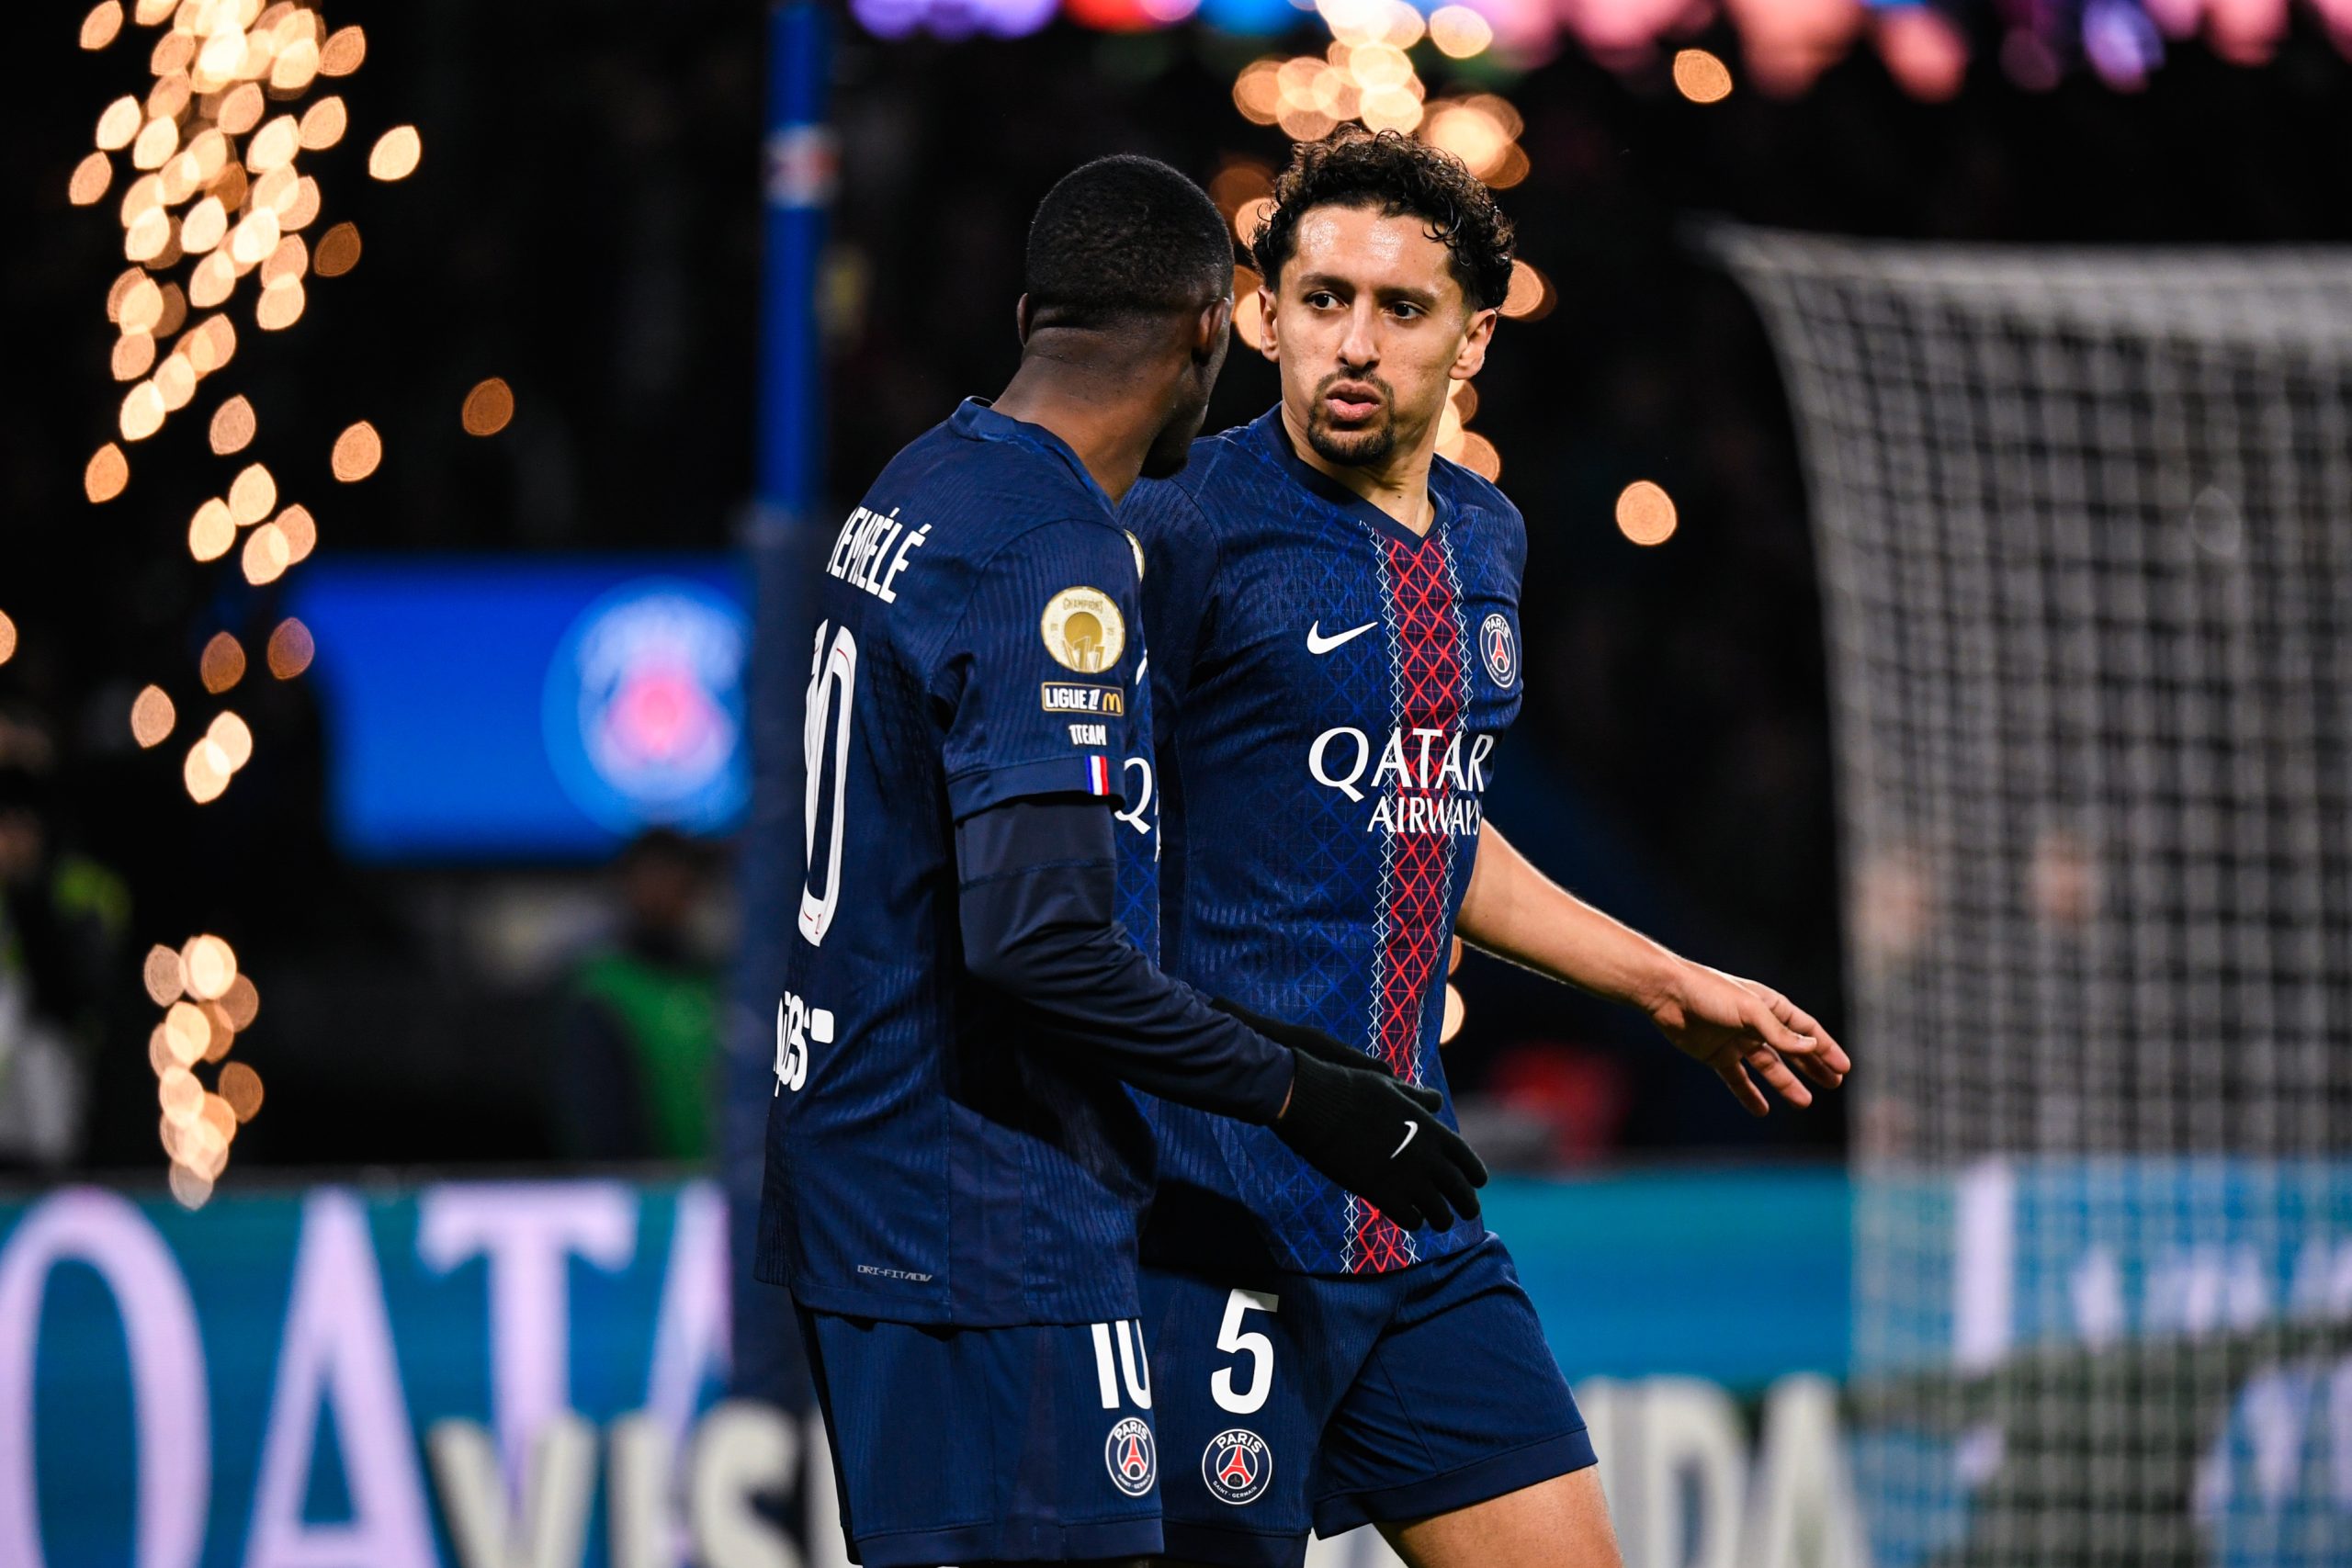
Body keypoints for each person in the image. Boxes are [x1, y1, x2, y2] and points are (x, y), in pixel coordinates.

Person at [1122, 130, 1851, 1568]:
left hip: (1414, 1218)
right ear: (1263, 315)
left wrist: (1665, 985)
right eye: (1323, 299)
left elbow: (1430, 821)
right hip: (1207, 1230)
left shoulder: (1486, 538)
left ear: (1474, 339)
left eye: (1402, 308)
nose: (1354, 342)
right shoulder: (1177, 527)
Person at [754, 154, 1487, 1568]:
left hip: (871, 1178)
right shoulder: (1055, 555)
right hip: (980, 1221)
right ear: (1212, 329)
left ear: (1033, 313)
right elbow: (1036, 944)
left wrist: (1295, 1055)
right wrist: (1295, 1094)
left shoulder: (924, 479)